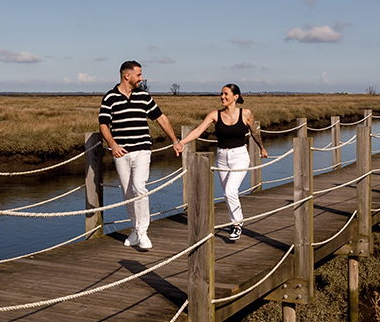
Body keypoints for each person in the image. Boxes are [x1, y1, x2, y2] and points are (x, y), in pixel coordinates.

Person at [99, 61, 181, 251]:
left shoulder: (144, 96)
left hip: (142, 150)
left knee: (139, 187)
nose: (141, 78)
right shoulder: (110, 97)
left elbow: (160, 117)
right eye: (139, 75)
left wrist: (174, 140)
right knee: (128, 194)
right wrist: (112, 145)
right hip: (121, 153)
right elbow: (103, 124)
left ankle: (142, 232)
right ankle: (136, 229)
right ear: (127, 76)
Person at [174, 84, 267, 241]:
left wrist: (262, 148)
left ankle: (237, 224)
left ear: (235, 97)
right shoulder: (215, 115)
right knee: (227, 193)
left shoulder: (245, 113)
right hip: (222, 157)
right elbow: (198, 131)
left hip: (240, 156)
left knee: (230, 191)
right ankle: (235, 222)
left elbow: (254, 132)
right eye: (221, 94)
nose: (222, 97)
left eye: (226, 94)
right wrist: (181, 143)